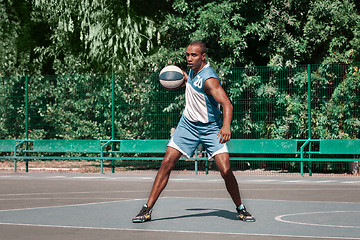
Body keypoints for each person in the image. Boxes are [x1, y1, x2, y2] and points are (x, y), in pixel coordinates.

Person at [132, 41, 255, 223]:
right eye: (188, 54)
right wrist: (182, 78)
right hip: (188, 126)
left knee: (226, 170)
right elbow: (194, 85)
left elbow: (227, 104)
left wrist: (226, 126)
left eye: (194, 55)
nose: (189, 58)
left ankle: (240, 208)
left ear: (203, 56)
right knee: (166, 163)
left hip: (210, 128)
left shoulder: (209, 79)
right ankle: (146, 209)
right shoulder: (192, 71)